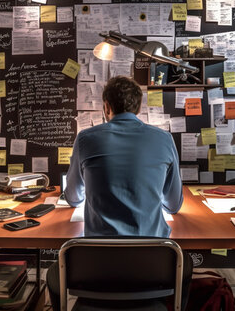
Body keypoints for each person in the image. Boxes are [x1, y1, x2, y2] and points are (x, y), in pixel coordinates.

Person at [46, 76, 192, 310]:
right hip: (152, 268)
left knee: (54, 274)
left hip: (95, 270)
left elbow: (73, 198)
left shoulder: (86, 139)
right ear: (139, 107)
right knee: (185, 267)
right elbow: (173, 205)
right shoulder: (164, 139)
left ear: (106, 106)